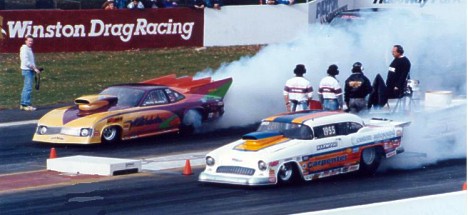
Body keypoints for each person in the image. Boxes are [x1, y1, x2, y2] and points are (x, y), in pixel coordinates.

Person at [20, 35, 41, 111]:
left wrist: (35, 67)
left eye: (32, 41)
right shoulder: (24, 49)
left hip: (29, 70)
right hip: (27, 70)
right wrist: (34, 68)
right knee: (28, 88)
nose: (30, 42)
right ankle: (26, 104)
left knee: (26, 87)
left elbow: (30, 61)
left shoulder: (28, 49)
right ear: (25, 41)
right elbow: (26, 62)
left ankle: (23, 104)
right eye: (29, 41)